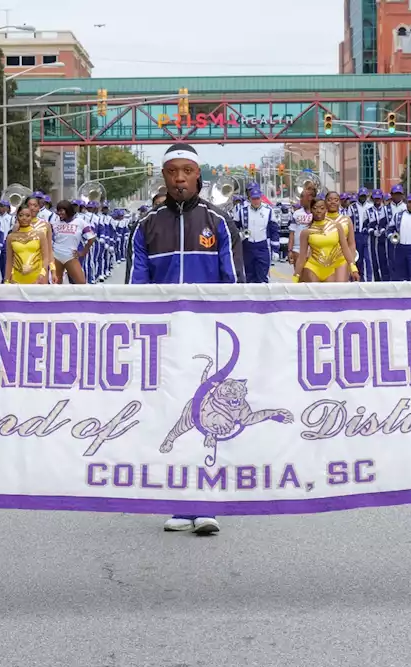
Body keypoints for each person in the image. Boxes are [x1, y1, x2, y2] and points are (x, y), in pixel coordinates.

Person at [130, 142, 239, 536]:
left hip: (208, 339)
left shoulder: (219, 222)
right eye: (172, 172)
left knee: (208, 418)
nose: (179, 179)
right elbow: (135, 287)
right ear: (163, 176)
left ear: (198, 175)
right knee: (172, 417)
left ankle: (206, 504)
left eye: (186, 172)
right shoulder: (147, 225)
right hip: (165, 338)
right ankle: (180, 502)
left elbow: (234, 284)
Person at [296, 195, 355, 282]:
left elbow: (346, 248)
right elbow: (302, 257)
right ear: (311, 210)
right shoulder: (306, 232)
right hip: (313, 267)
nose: (318, 211)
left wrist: (353, 268)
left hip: (331, 268)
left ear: (326, 209)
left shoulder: (337, 227)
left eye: (321, 208)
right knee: (315, 294)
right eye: (315, 208)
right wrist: (296, 276)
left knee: (331, 294)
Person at [4, 202, 53, 283]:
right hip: (16, 280)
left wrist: (42, 275)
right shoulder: (11, 237)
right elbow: (9, 261)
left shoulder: (40, 235)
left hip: (37, 279)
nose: (24, 218)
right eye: (21, 215)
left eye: (27, 215)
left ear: (31, 217)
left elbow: (45, 258)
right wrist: (6, 280)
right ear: (17, 217)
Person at [51, 199, 94, 284]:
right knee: (56, 284)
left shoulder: (80, 222)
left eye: (61, 211)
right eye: (58, 211)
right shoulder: (55, 223)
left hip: (70, 256)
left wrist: (82, 253)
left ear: (68, 210)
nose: (59, 213)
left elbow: (91, 238)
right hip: (56, 256)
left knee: (81, 283)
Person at [242, 185, 279, 283]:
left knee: (263, 277)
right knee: (248, 276)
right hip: (247, 247)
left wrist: (275, 250)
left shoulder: (268, 210)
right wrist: (240, 235)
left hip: (262, 247)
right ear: (249, 199)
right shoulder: (242, 210)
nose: (256, 201)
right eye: (253, 199)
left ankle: (263, 298)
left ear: (261, 198)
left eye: (258, 198)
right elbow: (235, 226)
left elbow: (274, 230)